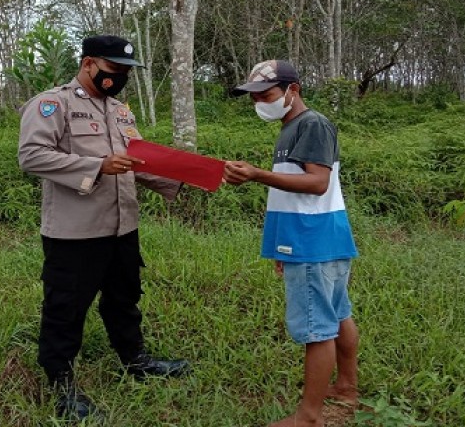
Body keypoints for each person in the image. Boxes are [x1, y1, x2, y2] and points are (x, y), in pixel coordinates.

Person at [18, 35, 190, 423]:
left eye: (127, 71)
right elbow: (31, 155)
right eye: (115, 69)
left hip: (122, 225)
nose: (121, 76)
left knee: (124, 298)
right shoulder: (54, 103)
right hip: (75, 231)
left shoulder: (121, 111)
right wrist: (95, 166)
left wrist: (192, 177)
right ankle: (61, 382)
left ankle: (136, 360)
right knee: (66, 307)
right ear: (89, 63)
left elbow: (139, 160)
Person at [223, 60, 359, 427]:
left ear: (293, 90)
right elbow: (290, 193)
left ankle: (308, 417)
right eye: (254, 98)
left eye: (265, 95)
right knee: (338, 312)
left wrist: (256, 174)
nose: (259, 104)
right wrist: (282, 246)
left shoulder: (312, 124)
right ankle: (346, 386)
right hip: (310, 237)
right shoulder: (291, 127)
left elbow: (317, 184)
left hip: (313, 239)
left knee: (317, 327)